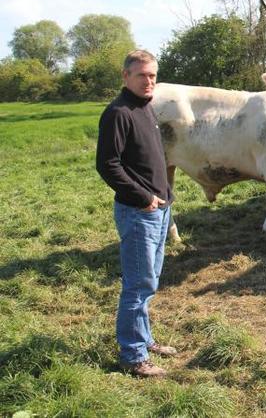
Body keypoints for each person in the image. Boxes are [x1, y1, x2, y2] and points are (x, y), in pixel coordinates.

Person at [96, 49, 176, 377]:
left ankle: (144, 340)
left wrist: (164, 198)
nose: (149, 81)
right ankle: (132, 356)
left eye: (153, 75)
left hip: (158, 209)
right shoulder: (118, 112)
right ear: (125, 76)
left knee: (149, 281)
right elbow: (107, 164)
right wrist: (144, 197)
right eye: (142, 75)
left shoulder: (146, 108)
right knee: (138, 285)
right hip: (138, 212)